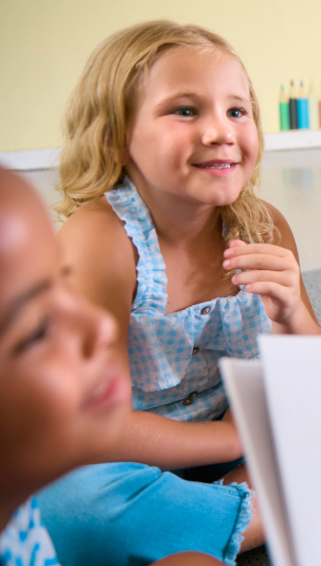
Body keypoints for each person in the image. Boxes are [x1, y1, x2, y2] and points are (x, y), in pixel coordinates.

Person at [35, 21, 321, 565]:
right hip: (120, 449)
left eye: (237, 111)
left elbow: (313, 370)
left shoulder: (264, 227)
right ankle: (267, 509)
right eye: (186, 110)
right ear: (114, 137)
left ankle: (209, 515)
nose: (221, 131)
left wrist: (291, 316)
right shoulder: (101, 242)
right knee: (73, 504)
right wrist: (236, 442)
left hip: (235, 432)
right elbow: (91, 425)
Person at [0, 168, 224, 566]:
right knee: (82, 508)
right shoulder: (102, 234)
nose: (100, 325)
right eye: (37, 330)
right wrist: (235, 437)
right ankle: (266, 504)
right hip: (111, 480)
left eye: (61, 285)